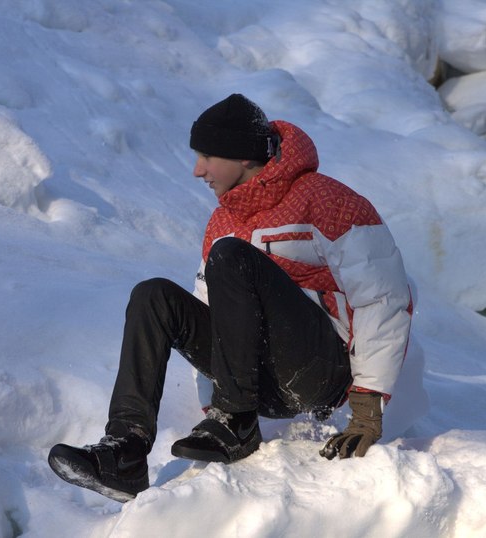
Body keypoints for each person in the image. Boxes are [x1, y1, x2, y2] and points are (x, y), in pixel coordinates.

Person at [48, 94, 413, 502]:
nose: (197, 170)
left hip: (323, 373)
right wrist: (212, 407)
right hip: (258, 384)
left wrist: (368, 403)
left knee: (233, 255)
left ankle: (235, 418)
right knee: (153, 295)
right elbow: (214, 314)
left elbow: (384, 299)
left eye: (207, 156)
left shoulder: (329, 202)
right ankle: (126, 453)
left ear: (243, 157)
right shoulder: (223, 220)